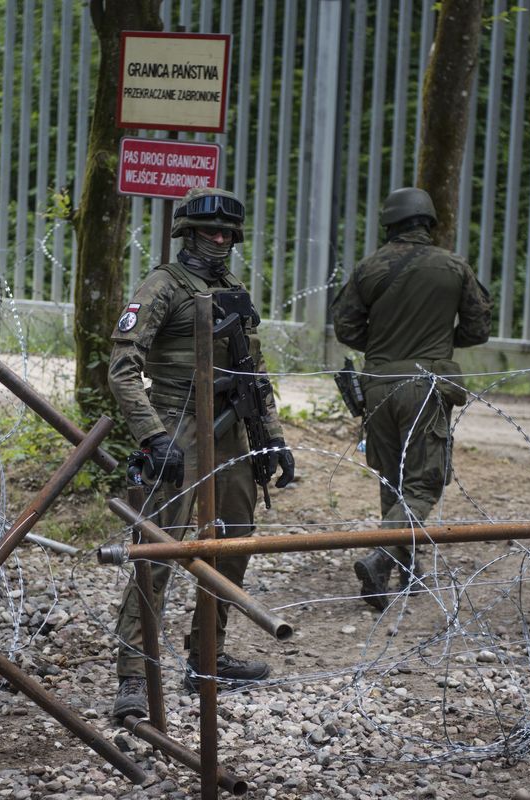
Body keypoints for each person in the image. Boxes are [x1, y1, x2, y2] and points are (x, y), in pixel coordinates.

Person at [107, 186, 296, 720]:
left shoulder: (233, 288)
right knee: (159, 551)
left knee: (234, 544)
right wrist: (153, 435)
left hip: (234, 428)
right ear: (187, 233)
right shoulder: (163, 286)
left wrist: (273, 437)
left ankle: (206, 656)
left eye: (228, 234)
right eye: (210, 232)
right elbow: (122, 368)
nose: (220, 240)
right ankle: (133, 675)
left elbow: (254, 375)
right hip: (178, 425)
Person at [331, 187, 492, 610]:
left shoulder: (369, 268)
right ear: (429, 222)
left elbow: (346, 328)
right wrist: (438, 340)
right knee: (424, 481)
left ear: (390, 223)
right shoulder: (453, 266)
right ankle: (384, 555)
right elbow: (478, 328)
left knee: (393, 476)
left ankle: (403, 569)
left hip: (378, 384)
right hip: (426, 383)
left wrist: (385, 343)